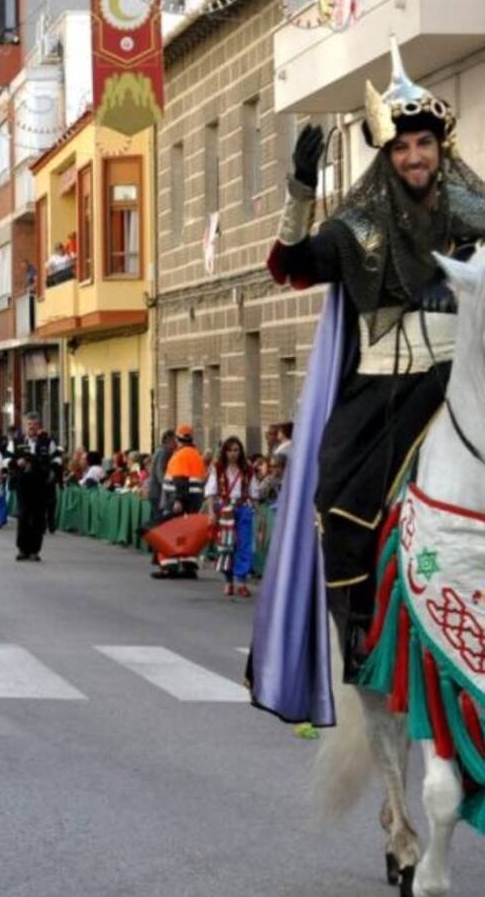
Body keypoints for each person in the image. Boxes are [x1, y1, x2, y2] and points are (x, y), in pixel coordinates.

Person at [255, 40, 485, 724]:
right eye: (402, 146)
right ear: (386, 156)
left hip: (459, 380)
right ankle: (359, 628)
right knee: (340, 500)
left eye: (424, 144)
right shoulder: (358, 227)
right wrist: (300, 192)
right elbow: (290, 267)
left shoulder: (477, 215)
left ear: (441, 148)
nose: (415, 156)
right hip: (383, 391)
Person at [152, 423, 207, 580]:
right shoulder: (196, 455)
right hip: (195, 500)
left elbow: (180, 480)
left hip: (177, 500)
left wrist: (178, 500)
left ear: (177, 439)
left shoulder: (180, 456)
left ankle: (169, 567)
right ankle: (189, 566)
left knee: (167, 532)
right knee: (188, 534)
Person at [206, 437, 255, 598]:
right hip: (225, 510)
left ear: (240, 451)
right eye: (229, 450)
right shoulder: (218, 468)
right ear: (224, 452)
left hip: (243, 508)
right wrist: (211, 512)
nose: (233, 453)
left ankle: (241, 582)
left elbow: (253, 492)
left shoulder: (248, 469)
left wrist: (256, 512)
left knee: (244, 544)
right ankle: (228, 581)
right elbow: (211, 491)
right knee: (227, 545)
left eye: (236, 450)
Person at [10, 412, 62, 561]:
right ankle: (22, 549)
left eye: (34, 424)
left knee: (38, 517)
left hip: (40, 483)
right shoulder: (16, 441)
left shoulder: (47, 442)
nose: (31, 427)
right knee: (23, 516)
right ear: (24, 426)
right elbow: (5, 459)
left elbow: (57, 458)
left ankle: (34, 550)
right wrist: (16, 463)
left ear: (39, 426)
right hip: (23, 483)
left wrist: (53, 471)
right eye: (29, 424)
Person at [148, 429, 177, 521]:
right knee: (159, 520)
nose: (176, 444)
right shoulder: (165, 452)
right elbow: (160, 473)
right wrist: (168, 487)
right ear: (169, 440)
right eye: (174, 440)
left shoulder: (158, 451)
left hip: (154, 491)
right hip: (159, 492)